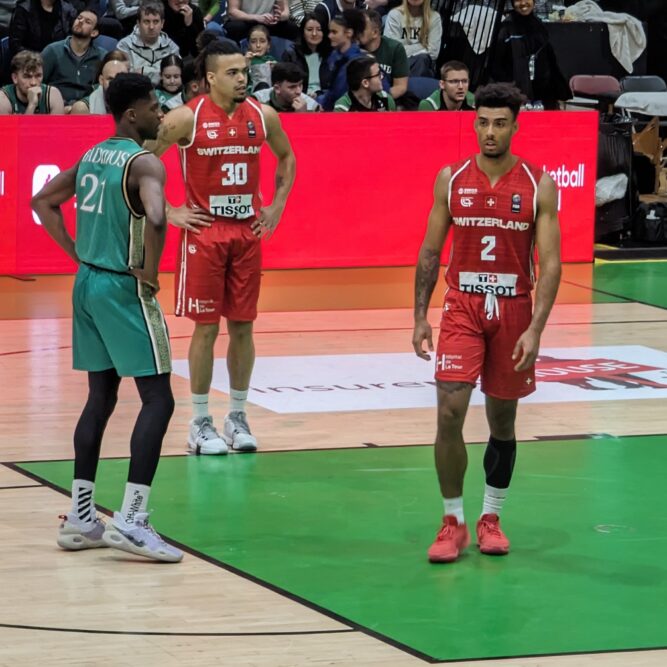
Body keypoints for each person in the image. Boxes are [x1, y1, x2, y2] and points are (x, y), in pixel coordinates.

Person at [31, 72, 183, 563]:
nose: (161, 114)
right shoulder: (145, 164)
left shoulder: (93, 154)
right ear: (131, 114)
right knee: (159, 400)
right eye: (154, 106)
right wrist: (152, 271)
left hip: (87, 285)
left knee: (101, 396)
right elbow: (158, 217)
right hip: (124, 287)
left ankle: (80, 517)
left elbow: (43, 202)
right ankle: (133, 520)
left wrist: (75, 252)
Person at [412, 82, 561, 563]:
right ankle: (451, 520)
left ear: (516, 126)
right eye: (482, 122)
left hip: (514, 308)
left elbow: (552, 263)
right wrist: (419, 316)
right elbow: (431, 252)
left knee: (502, 420)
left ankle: (490, 517)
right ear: (473, 122)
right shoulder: (450, 178)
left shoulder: (539, 183)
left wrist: (536, 328)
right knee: (449, 413)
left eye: (500, 123)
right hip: (463, 306)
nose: (489, 132)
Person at [148, 39, 296, 455]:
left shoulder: (262, 116)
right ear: (210, 78)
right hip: (205, 234)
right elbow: (141, 159)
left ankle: (236, 416)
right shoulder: (185, 119)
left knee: (244, 327)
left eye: (244, 71)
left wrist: (276, 208)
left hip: (247, 232)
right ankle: (199, 422)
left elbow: (287, 158)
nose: (241, 79)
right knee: (207, 328)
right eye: (232, 73)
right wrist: (171, 210)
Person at [491, 0, 569, 110]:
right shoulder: (505, 28)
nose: (523, 3)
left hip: (541, 96)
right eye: (518, 0)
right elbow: (497, 66)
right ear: (513, 3)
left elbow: (548, 63)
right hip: (515, 97)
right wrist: (511, 92)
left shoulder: (539, 25)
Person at [41, 9, 106, 107]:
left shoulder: (101, 56)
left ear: (94, 33)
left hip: (87, 108)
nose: (80, 21)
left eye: (87, 22)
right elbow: (37, 82)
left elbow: (105, 86)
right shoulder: (52, 51)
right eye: (79, 18)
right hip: (55, 107)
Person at [116, 0, 180, 85]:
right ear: (138, 23)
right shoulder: (124, 45)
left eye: (156, 21)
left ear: (162, 23)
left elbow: (175, 79)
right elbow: (125, 80)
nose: (151, 27)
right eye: (146, 21)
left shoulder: (172, 47)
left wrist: (143, 71)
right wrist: (162, 74)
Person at [316, 8, 364, 111]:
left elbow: (340, 95)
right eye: (329, 32)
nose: (329, 36)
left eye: (334, 32)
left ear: (349, 33)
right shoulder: (333, 56)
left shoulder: (359, 63)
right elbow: (331, 91)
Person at [359, 9, 408, 102]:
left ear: (375, 33)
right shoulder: (355, 48)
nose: (357, 31)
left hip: (386, 100)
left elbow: (400, 86)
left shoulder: (395, 48)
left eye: (361, 28)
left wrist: (379, 100)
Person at [383, 0, 442, 77]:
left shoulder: (434, 17)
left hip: (422, 66)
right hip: (397, 64)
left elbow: (433, 52)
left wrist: (403, 48)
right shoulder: (395, 15)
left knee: (422, 59)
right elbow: (392, 50)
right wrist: (422, 46)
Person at [281, 12, 331, 96]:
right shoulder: (291, 53)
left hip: (325, 99)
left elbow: (335, 87)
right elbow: (285, 84)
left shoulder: (331, 54)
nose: (314, 34)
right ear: (303, 32)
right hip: (298, 97)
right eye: (310, 29)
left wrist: (319, 95)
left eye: (319, 29)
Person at [0, 50, 65, 114]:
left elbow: (57, 125)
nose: (33, 83)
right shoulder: (3, 99)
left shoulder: (52, 95)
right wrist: (32, 105)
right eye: (27, 76)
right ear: (15, 78)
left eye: (38, 76)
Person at [8, 0, 76, 56]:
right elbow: (15, 44)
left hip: (57, 60)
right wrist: (37, 58)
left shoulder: (68, 10)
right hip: (29, 61)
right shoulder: (24, 9)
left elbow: (71, 41)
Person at [253, 61, 320, 110]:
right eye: (292, 87)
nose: (299, 92)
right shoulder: (257, 101)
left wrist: (303, 117)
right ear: (277, 89)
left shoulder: (312, 106)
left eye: (300, 85)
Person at [224, 0, 299, 42]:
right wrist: (256, 17)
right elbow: (233, 12)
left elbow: (285, 12)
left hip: (269, 21)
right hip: (247, 20)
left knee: (292, 28)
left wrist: (279, 17)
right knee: (234, 28)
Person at [245, 24, 278, 93]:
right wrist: (245, 66)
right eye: (253, 42)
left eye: (262, 41)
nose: (258, 45)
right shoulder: (244, 60)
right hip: (251, 95)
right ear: (248, 45)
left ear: (268, 45)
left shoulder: (272, 60)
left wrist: (275, 71)